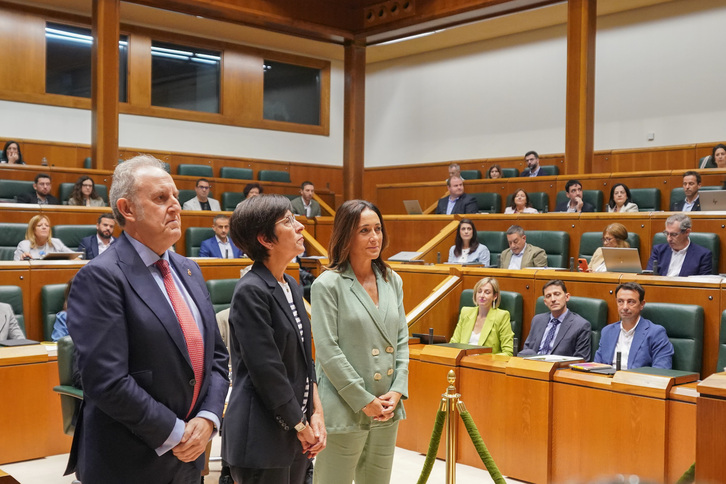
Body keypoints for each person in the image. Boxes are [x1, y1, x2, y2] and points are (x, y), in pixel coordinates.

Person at [64, 155, 229, 483]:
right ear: (127, 210)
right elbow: (107, 381)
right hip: (129, 462)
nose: (176, 206)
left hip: (189, 458)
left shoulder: (189, 270)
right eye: (160, 198)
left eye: (176, 197)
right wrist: (177, 432)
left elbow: (218, 359)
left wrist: (208, 418)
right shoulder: (100, 277)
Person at [223, 194, 325, 484]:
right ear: (266, 239)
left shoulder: (291, 284)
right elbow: (267, 371)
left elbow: (306, 359)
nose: (300, 226)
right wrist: (300, 424)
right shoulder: (251, 291)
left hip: (294, 430)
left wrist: (316, 413)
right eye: (288, 221)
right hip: (261, 435)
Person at [311, 199, 409, 484]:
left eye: (378, 228)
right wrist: (363, 400)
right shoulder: (327, 284)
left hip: (387, 404)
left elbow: (402, 339)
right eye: (364, 230)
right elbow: (328, 351)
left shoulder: (392, 279)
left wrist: (398, 389)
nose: (374, 237)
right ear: (346, 235)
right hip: (346, 404)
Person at [594, 282, 673, 370]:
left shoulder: (656, 333)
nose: (624, 307)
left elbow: (662, 370)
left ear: (642, 304)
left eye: (630, 302)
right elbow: (597, 366)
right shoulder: (607, 331)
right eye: (620, 301)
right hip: (607, 381)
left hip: (637, 382)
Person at [518, 280, 591, 359]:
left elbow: (581, 361)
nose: (553, 299)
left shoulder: (580, 325)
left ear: (567, 297)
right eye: (548, 296)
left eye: (557, 294)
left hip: (558, 369)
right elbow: (527, 350)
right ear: (545, 302)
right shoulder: (537, 320)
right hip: (534, 366)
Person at [450, 277, 513, 355]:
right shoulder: (466, 312)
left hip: (486, 365)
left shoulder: (502, 316)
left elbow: (508, 352)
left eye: (487, 292)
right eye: (479, 291)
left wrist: (485, 360)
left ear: (495, 296)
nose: (482, 295)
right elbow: (453, 344)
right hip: (463, 362)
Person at [646, 213, 712, 276]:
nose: (668, 239)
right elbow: (649, 276)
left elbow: (703, 284)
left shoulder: (703, 255)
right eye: (667, 233)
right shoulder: (658, 250)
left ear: (687, 232)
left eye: (674, 234)